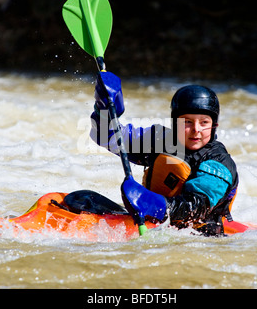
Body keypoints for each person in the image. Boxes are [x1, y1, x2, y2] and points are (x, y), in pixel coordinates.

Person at [89, 72, 238, 236]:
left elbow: (197, 207)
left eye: (204, 122)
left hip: (200, 237)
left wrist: (151, 204)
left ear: (213, 125)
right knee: (84, 200)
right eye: (187, 121)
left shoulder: (219, 162)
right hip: (153, 223)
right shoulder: (161, 140)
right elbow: (107, 137)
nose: (196, 129)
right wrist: (104, 109)